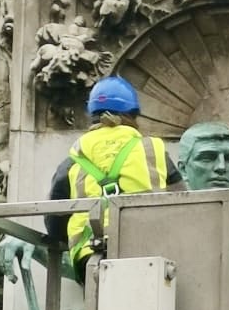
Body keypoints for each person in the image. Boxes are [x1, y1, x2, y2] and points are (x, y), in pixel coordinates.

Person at [47, 75, 180, 278]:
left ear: (92, 115)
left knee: (99, 308)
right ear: (134, 115)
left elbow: (54, 219)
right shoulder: (152, 149)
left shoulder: (74, 157)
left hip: (91, 258)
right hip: (146, 252)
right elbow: (185, 204)